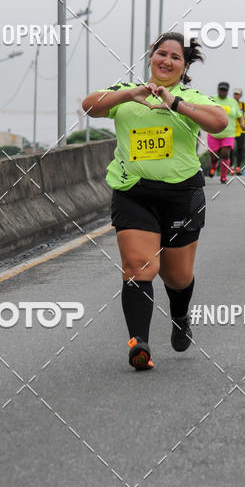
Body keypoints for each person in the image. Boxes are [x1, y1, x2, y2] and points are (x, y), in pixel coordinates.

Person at [82, 32, 227, 371]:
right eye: (161, 54)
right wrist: (132, 94)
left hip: (181, 197)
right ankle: (139, 344)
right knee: (138, 268)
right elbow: (90, 106)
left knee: (177, 277)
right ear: (150, 57)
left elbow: (220, 124)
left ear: (185, 66)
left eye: (175, 57)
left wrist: (174, 104)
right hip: (134, 193)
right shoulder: (126, 94)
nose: (166, 61)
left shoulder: (190, 97)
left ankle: (179, 317)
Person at [206, 81, 243, 184]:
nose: (222, 92)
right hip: (213, 133)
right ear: (218, 90)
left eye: (225, 90)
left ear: (227, 91)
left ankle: (223, 176)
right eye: (221, 90)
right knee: (214, 157)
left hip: (228, 133)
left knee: (225, 154)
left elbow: (239, 115)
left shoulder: (232, 102)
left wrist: (242, 124)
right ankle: (213, 167)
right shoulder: (211, 99)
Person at [232, 88, 245, 174]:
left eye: (238, 94)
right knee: (230, 150)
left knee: (240, 149)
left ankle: (238, 167)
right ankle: (231, 167)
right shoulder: (230, 104)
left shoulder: (244, 105)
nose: (236, 95)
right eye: (235, 94)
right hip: (231, 130)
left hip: (241, 130)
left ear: (240, 95)